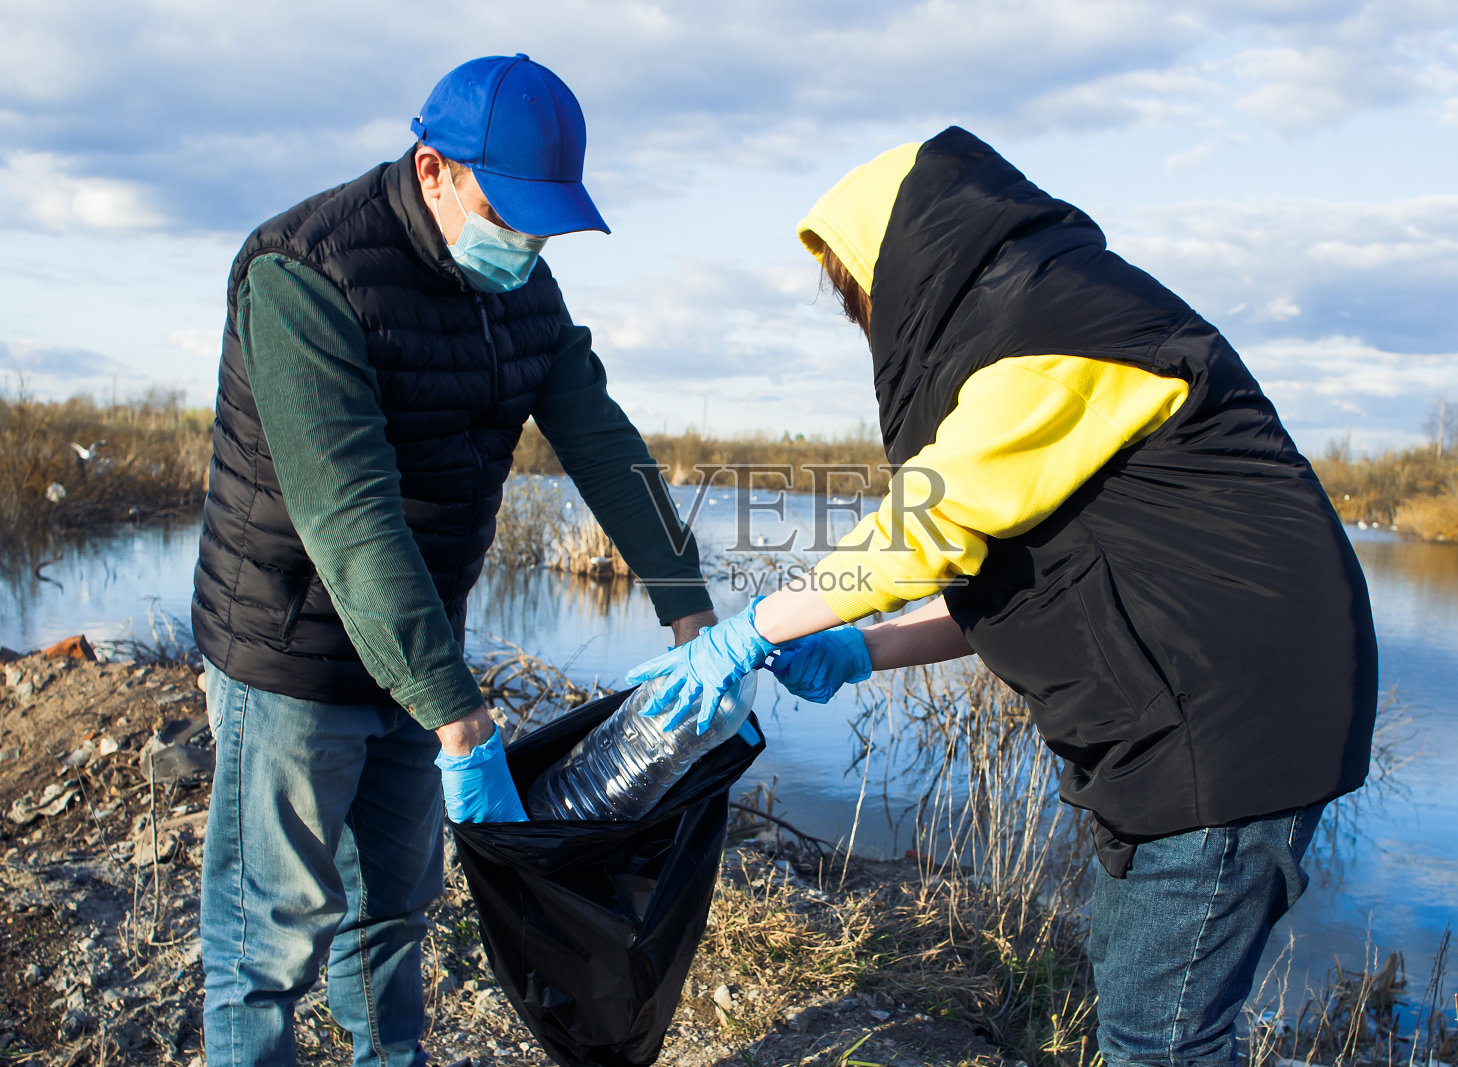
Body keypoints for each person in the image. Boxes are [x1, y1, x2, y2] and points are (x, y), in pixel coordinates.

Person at [625, 127, 1379, 1064]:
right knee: (1144, 993)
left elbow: (926, 528)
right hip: (1197, 724)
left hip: (1226, 730)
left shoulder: (1058, 333)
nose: (860, 314)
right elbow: (1019, 582)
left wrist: (743, 632)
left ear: (905, 265)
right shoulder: (1030, 334)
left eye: (856, 291)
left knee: (1164, 1039)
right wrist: (866, 649)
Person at [190, 55, 716, 1066]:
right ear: (433, 169)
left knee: (395, 909)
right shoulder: (303, 272)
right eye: (507, 210)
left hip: (420, 641)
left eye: (541, 219)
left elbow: (601, 438)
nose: (524, 239)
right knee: (272, 939)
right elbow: (350, 514)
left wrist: (687, 599)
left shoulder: (522, 290)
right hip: (290, 647)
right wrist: (459, 710)